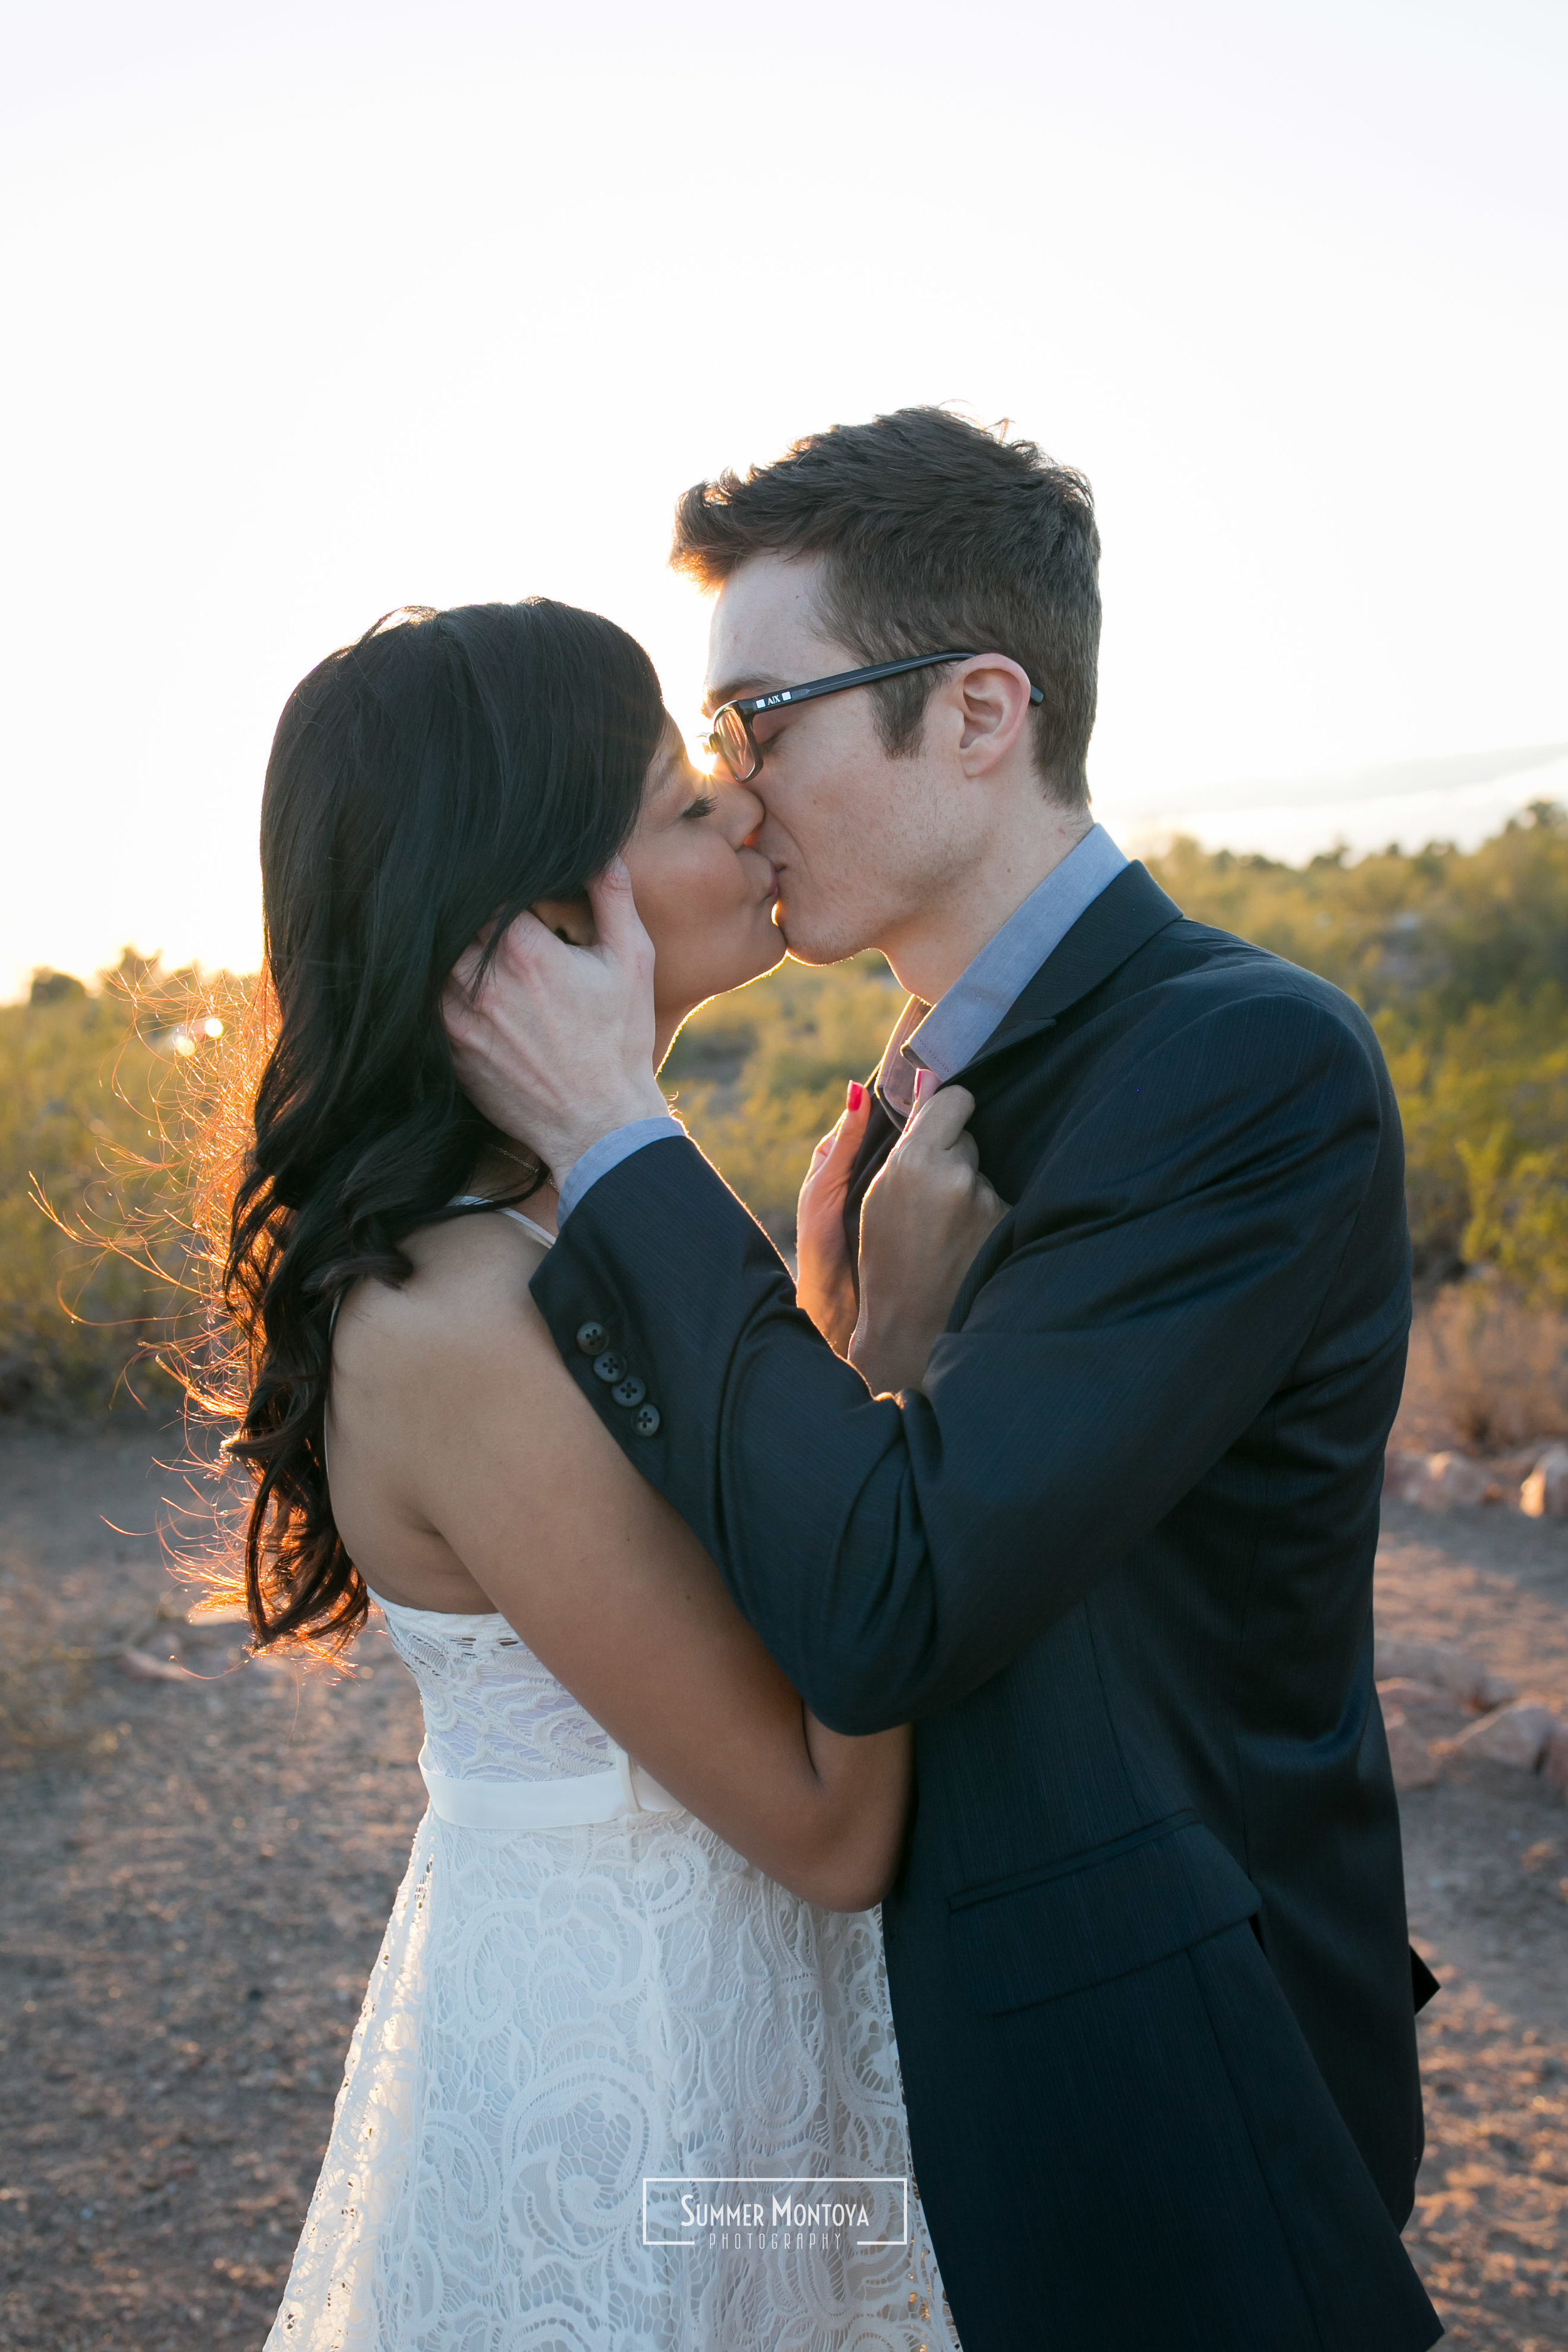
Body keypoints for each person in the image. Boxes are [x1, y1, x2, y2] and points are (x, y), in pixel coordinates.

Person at [443, 410, 1446, 2351]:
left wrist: (611, 1136)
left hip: (1182, 2080)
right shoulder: (909, 1099)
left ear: (978, 715)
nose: (734, 798)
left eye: (765, 721)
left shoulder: (1232, 1066)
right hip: (958, 2080)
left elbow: (891, 1595)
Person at [215, 597, 977, 2350]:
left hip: (721, 2030)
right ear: (537, 919)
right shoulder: (460, 1314)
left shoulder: (565, 1210)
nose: (739, 808)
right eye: (674, 796)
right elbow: (826, 1820)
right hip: (641, 2080)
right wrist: (902, 1373)